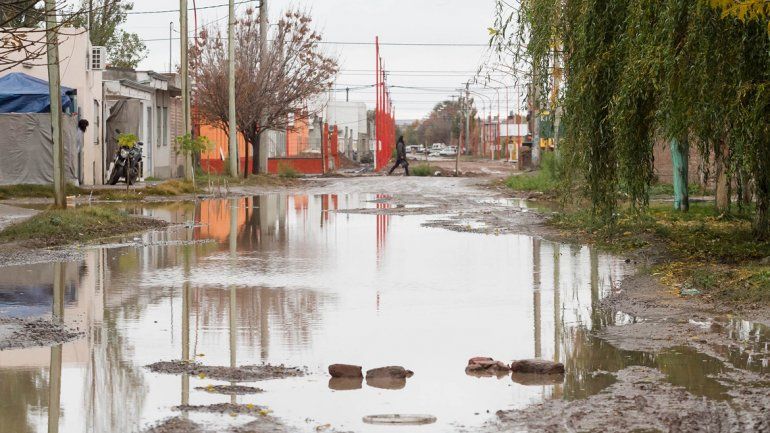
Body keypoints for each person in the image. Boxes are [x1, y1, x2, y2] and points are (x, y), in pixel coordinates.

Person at [76, 119, 89, 185]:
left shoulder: (80, 132)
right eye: (86, 126)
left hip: (77, 151)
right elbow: (77, 142)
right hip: (75, 152)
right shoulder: (79, 132)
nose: (86, 128)